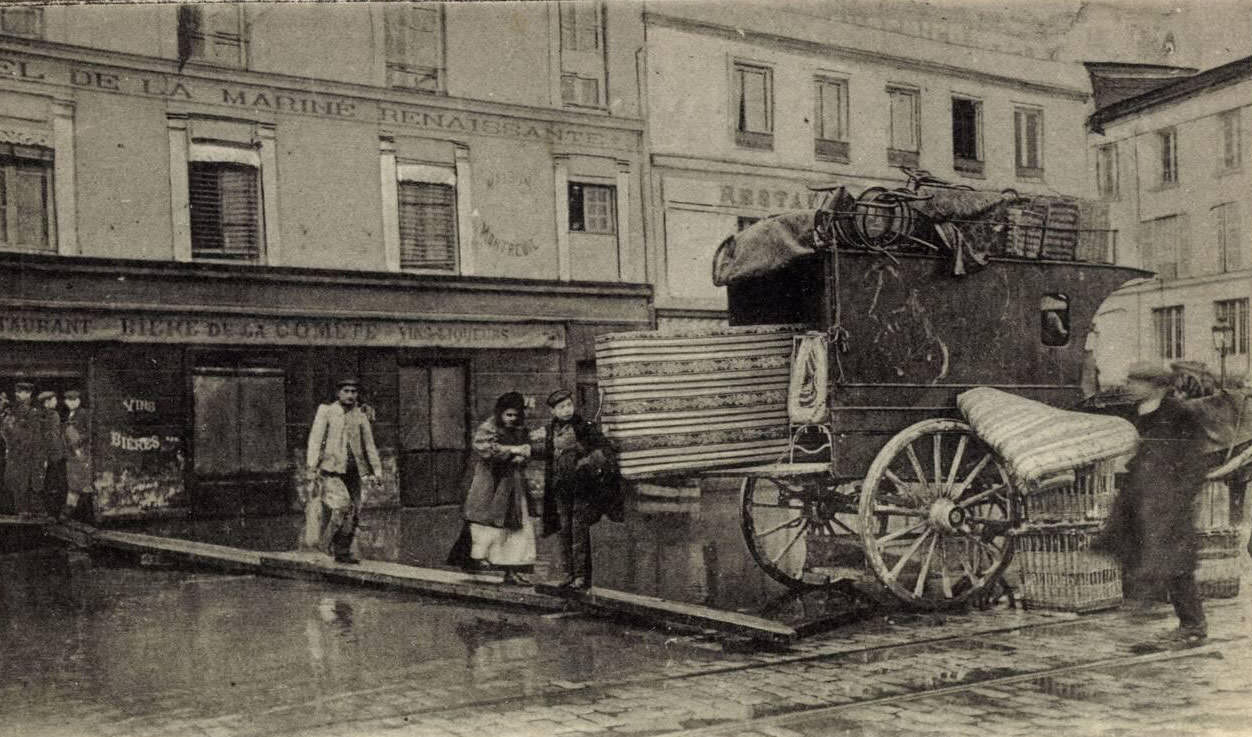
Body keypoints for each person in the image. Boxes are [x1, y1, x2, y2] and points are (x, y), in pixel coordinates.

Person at [1095, 361, 1207, 645]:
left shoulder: (1180, 413)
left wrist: (1182, 496)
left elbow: (1195, 459)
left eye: (1136, 382)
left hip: (1170, 498)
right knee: (1138, 548)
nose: (1129, 386)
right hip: (1143, 496)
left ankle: (1192, 625)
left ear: (1156, 386)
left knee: (1176, 562)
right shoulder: (1140, 413)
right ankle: (1152, 603)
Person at [450, 391, 536, 585]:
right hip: (490, 484)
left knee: (517, 529)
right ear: (500, 413)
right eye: (508, 415)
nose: (512, 419)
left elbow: (528, 447)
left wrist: (525, 454)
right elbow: (484, 448)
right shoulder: (488, 428)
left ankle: (512, 571)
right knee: (486, 525)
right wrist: (512, 450)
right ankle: (480, 558)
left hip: (514, 484)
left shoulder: (521, 429)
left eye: (515, 415)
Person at [540, 389, 620, 589]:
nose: (567, 410)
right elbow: (550, 455)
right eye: (561, 407)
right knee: (563, 530)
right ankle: (568, 574)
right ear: (553, 411)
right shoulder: (551, 430)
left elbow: (605, 452)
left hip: (582, 488)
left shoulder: (584, 427)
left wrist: (585, 462)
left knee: (578, 532)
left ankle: (581, 577)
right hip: (560, 489)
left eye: (569, 405)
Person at [305, 377, 382, 565]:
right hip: (331, 470)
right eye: (346, 391)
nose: (350, 395)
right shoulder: (327, 412)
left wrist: (377, 471)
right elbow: (315, 440)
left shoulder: (361, 415)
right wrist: (312, 467)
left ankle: (342, 552)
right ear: (338, 393)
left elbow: (369, 445)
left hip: (354, 471)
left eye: (353, 392)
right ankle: (324, 544)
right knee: (342, 506)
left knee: (354, 512)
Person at [2, 382, 50, 519]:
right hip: (17, 452)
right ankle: (22, 511)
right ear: (17, 393)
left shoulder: (33, 411)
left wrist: (41, 453)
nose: (25, 395)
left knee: (33, 482)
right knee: (18, 482)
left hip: (31, 453)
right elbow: (7, 431)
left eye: (28, 393)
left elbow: (38, 434)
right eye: (22, 392)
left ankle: (34, 511)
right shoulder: (10, 411)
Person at [60, 390, 93, 522]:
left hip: (82, 453)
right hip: (73, 454)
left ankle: (71, 512)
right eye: (69, 400)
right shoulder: (71, 414)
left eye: (74, 400)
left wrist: (78, 440)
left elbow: (90, 432)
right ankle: (74, 512)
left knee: (81, 483)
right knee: (76, 482)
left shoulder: (84, 413)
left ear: (78, 401)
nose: (71, 402)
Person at [38, 390, 68, 516]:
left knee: (48, 483)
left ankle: (50, 511)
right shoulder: (53, 415)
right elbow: (53, 437)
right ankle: (55, 513)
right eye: (54, 400)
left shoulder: (40, 415)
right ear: (47, 402)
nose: (56, 402)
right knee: (56, 484)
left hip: (47, 455)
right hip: (54, 455)